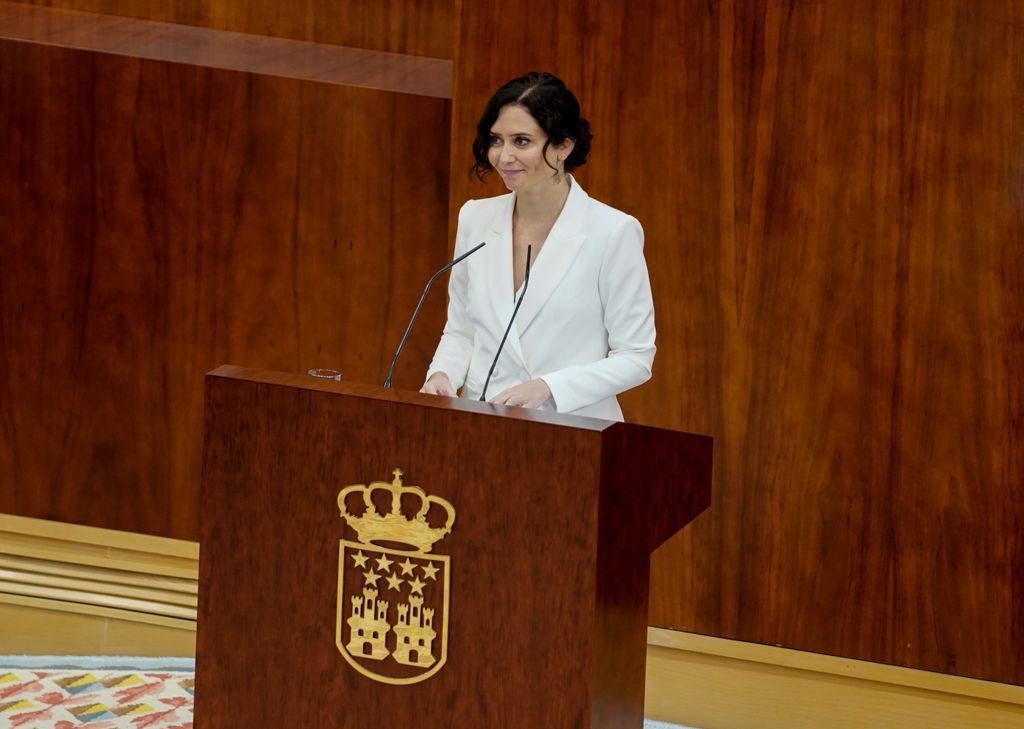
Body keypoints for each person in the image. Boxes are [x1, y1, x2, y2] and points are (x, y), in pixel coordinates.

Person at [421, 72, 655, 421]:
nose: (503, 156)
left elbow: (636, 357)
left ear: (564, 146)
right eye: (496, 140)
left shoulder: (613, 232)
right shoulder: (475, 218)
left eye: (521, 141)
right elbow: (462, 329)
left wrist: (548, 387)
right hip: (480, 424)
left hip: (572, 428)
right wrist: (442, 375)